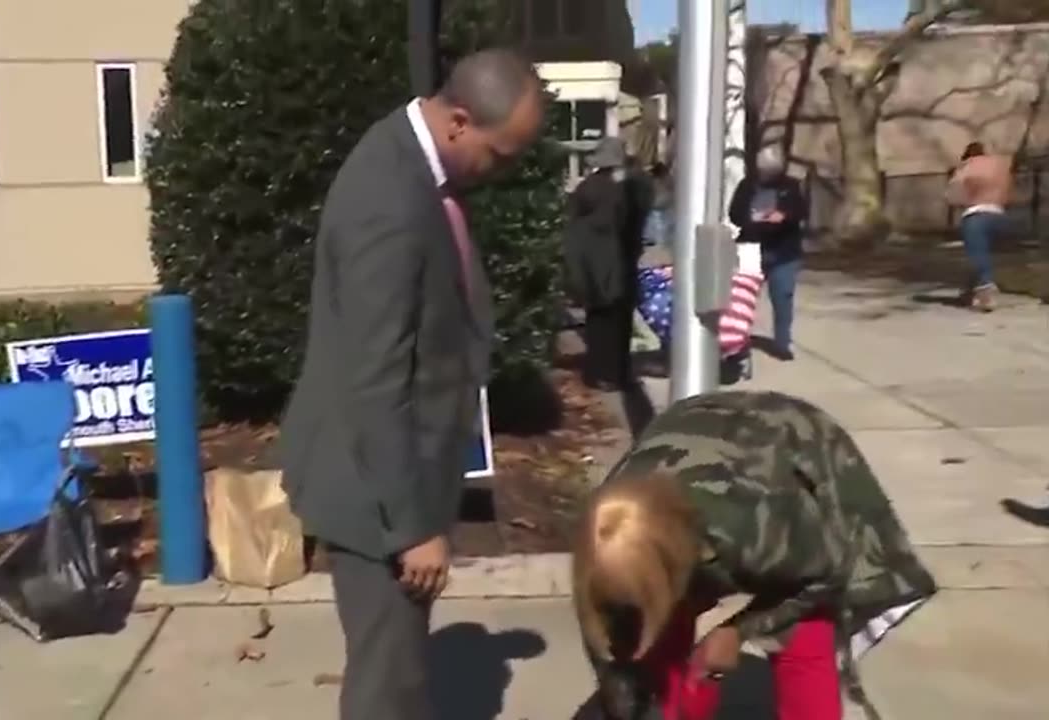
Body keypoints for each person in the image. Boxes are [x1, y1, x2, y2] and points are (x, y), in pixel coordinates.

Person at [279, 48, 546, 720]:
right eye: (501, 154)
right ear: (459, 121)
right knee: (386, 687)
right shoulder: (389, 201)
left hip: (396, 476)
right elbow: (376, 380)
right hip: (376, 497)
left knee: (402, 674)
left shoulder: (412, 163)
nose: (503, 171)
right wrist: (412, 529)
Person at [572, 390, 938, 720]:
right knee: (652, 642)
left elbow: (825, 574)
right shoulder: (604, 540)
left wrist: (739, 630)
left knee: (803, 631)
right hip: (693, 440)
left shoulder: (755, 526)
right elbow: (615, 660)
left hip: (788, 442)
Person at [564, 137, 634, 390]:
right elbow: (623, 223)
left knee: (595, 319)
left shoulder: (585, 188)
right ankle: (608, 373)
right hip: (609, 259)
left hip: (586, 258)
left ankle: (595, 371)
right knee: (611, 321)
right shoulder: (617, 192)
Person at [728, 147, 806, 361]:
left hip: (784, 250)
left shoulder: (791, 186)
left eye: (771, 172)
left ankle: (783, 343)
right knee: (742, 298)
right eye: (764, 171)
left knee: (782, 297)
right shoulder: (747, 185)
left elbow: (801, 211)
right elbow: (734, 213)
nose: (767, 176)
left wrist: (784, 215)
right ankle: (736, 345)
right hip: (751, 247)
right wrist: (751, 218)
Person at [946, 141, 1012, 312]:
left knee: (977, 255)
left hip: (976, 215)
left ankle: (985, 292)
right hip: (999, 215)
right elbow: (1009, 191)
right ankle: (970, 291)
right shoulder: (1000, 166)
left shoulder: (967, 166)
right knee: (982, 254)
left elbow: (953, 194)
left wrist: (963, 199)